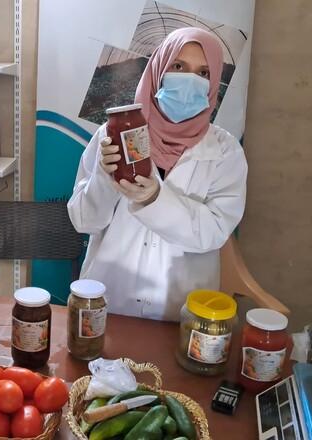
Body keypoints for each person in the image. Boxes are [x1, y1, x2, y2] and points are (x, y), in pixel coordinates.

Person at [67, 27, 247, 321]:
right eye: (178, 66)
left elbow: (213, 233)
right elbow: (84, 222)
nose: (190, 81)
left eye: (203, 73)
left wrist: (155, 198)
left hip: (181, 314)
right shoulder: (111, 135)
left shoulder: (225, 151)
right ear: (158, 70)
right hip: (109, 305)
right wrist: (104, 177)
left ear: (214, 82)